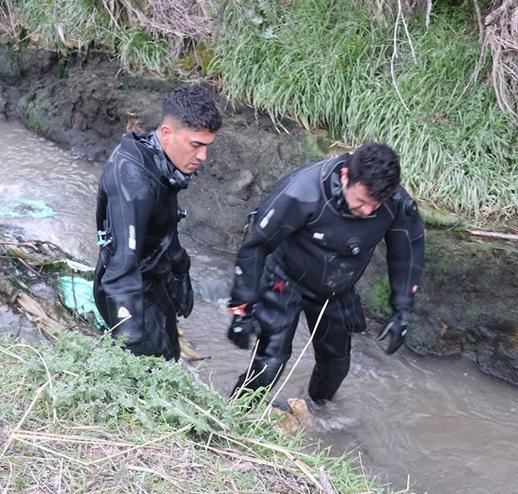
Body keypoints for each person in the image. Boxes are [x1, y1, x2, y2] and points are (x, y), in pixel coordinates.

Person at [226, 143, 424, 404]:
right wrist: (241, 308)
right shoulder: (303, 192)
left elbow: (406, 253)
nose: (368, 211)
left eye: (375, 204)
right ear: (345, 176)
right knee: (271, 364)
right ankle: (233, 417)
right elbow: (256, 247)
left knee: (336, 366)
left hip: (337, 289)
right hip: (285, 280)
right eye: (362, 201)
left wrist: (402, 310)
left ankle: (316, 418)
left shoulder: (396, 204)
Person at [94, 84, 221, 360]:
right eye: (196, 145)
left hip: (154, 274)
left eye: (207, 146)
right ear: (166, 134)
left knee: (171, 353)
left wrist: (179, 268)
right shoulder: (132, 182)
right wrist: (131, 335)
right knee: (151, 364)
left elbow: (163, 226)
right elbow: (119, 272)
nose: (202, 157)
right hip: (129, 288)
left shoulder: (161, 161)